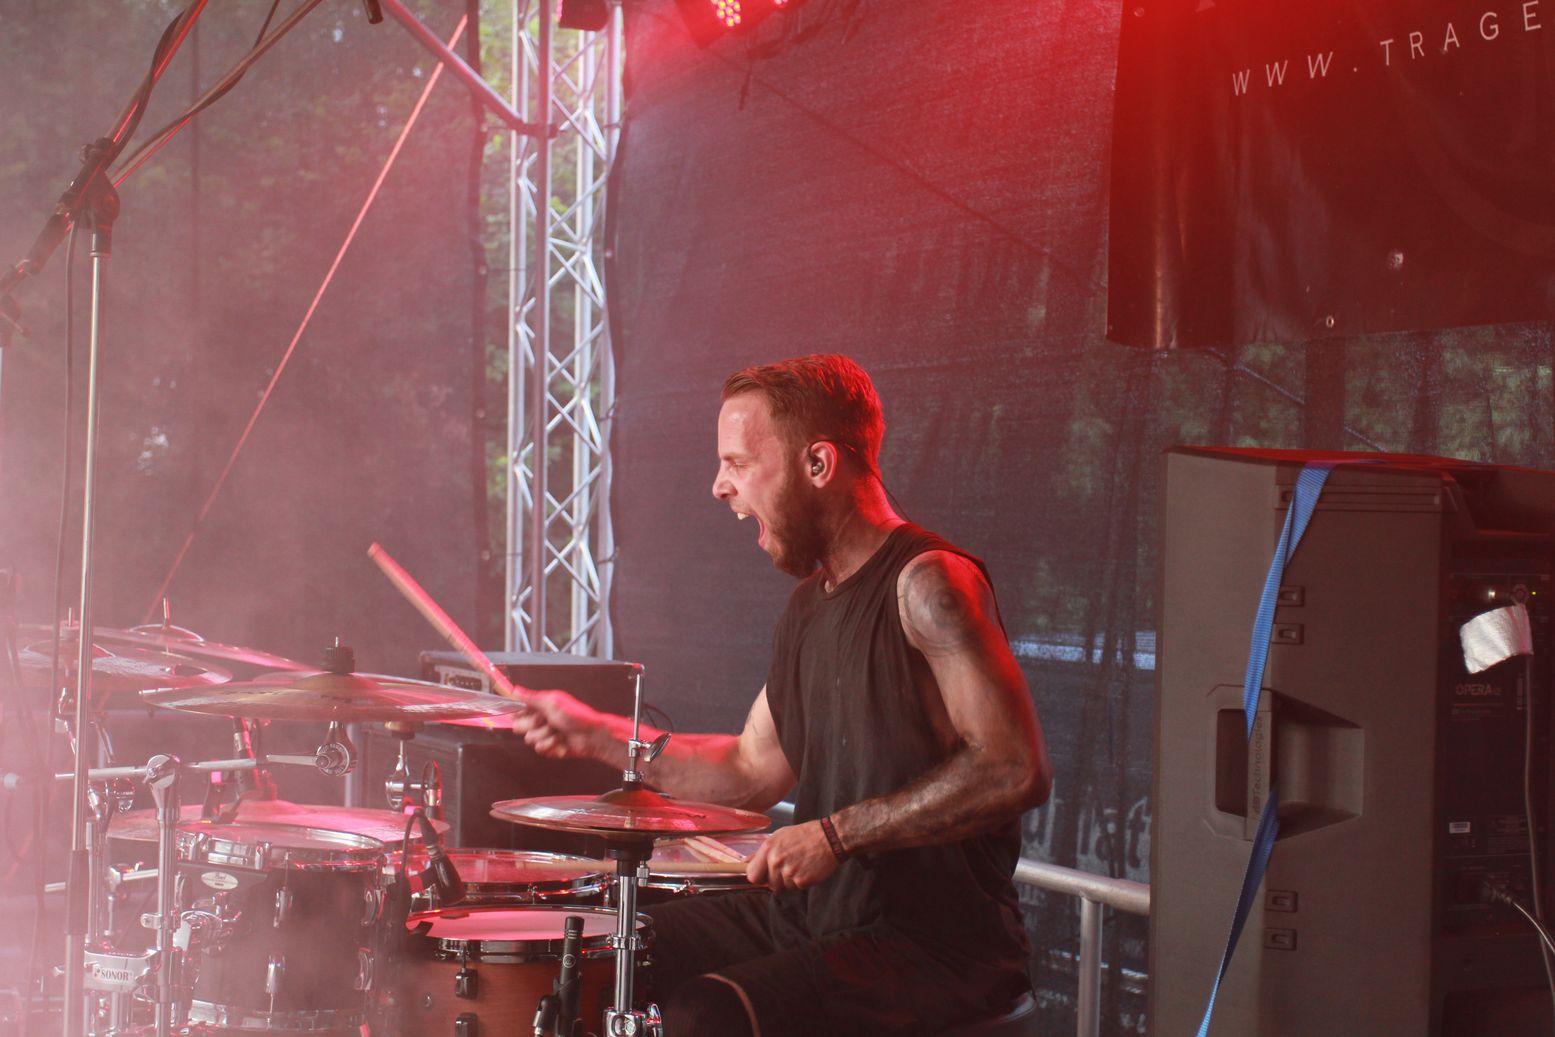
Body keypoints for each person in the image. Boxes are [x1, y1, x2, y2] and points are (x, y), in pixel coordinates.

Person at [510, 354, 1052, 1036]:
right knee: (609, 954)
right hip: (815, 915)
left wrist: (835, 834)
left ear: (818, 463)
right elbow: (748, 769)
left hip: (936, 949)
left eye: (737, 463)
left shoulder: (928, 584)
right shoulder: (806, 608)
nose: (718, 487)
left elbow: (1012, 767)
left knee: (704, 1016)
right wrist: (596, 732)